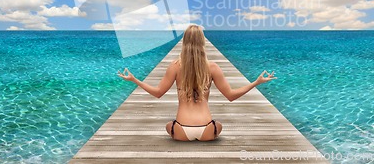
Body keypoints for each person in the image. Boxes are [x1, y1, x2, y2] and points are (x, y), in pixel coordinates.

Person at [117, 24, 276, 141]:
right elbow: (231, 96)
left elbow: (158, 93)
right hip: (208, 129)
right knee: (219, 125)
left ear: (184, 42)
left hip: (180, 129)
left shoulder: (174, 66)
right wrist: (256, 82)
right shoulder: (213, 67)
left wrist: (134, 79)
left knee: (168, 125)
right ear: (203, 42)